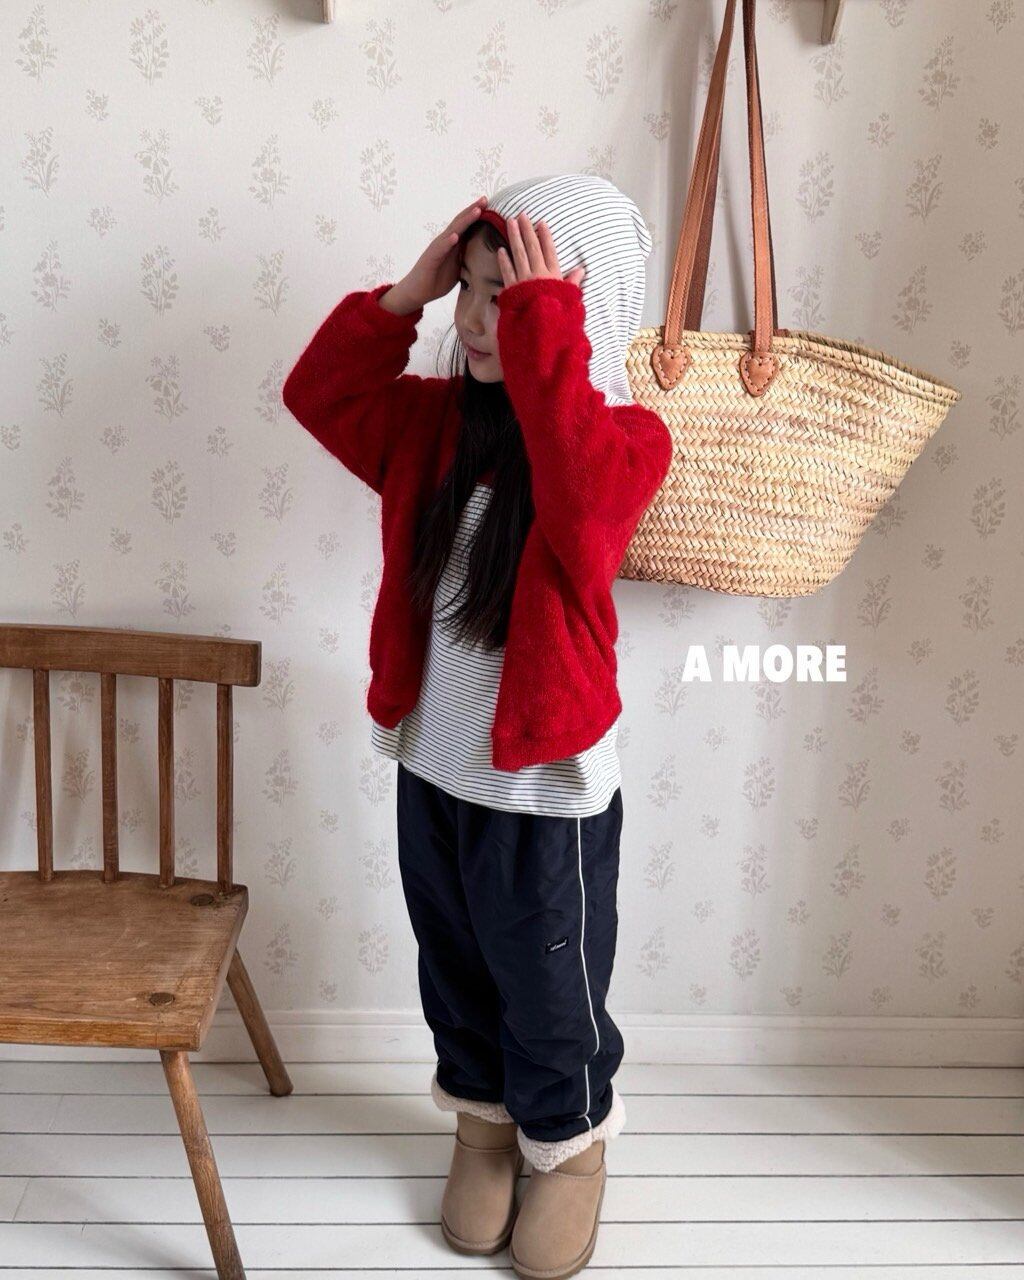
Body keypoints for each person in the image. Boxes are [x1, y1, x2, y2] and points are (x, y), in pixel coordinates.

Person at [282, 173, 672, 1280]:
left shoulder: (626, 442)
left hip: (542, 789)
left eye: (511, 298)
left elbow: (579, 496)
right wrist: (407, 294)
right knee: (453, 961)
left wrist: (545, 328)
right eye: (471, 290)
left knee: (546, 983)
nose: (478, 320)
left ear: (579, 310)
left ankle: (569, 1143)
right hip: (435, 764)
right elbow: (320, 393)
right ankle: (484, 1122)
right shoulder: (431, 424)